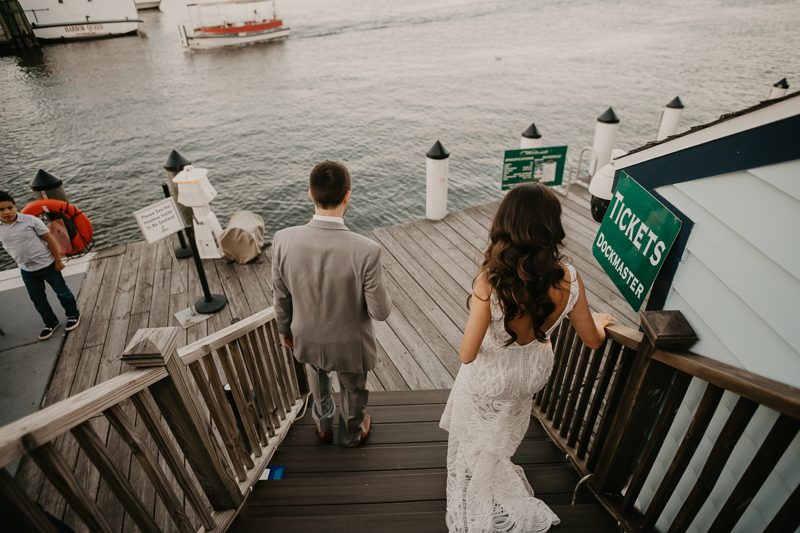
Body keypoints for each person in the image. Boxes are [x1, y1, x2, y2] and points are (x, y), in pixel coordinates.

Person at [440, 183, 613, 532]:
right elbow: (593, 341)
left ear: (505, 224)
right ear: (551, 226)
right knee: (503, 421)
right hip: (530, 374)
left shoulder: (490, 281)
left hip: (493, 376)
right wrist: (598, 321)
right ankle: (491, 462)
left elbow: (467, 353)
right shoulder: (570, 279)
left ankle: (482, 479)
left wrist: (478, 306)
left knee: (474, 403)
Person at [271, 161, 392, 447]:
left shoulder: (282, 240)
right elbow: (380, 311)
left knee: (317, 377)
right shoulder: (367, 251)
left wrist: (285, 329)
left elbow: (281, 296)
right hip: (350, 343)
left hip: (305, 335)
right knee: (353, 388)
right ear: (348, 195)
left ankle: (323, 425)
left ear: (310, 194)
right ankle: (350, 433)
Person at [0, 191, 81, 340]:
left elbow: (50, 241)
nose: (6, 212)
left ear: (15, 206)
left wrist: (58, 261)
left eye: (9, 207)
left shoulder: (30, 221)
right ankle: (51, 322)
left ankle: (73, 314)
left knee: (61, 291)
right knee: (38, 299)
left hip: (48, 265)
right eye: (1, 209)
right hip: (27, 270)